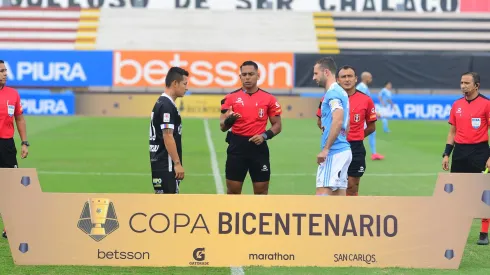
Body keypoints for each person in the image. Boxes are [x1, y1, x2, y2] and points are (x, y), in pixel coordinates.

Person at [219, 61, 282, 195]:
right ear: (240, 76)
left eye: (251, 74)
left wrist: (264, 136)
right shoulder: (230, 98)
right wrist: (230, 119)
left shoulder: (269, 99)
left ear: (258, 76)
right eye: (244, 74)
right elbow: (222, 127)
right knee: (233, 192)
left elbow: (277, 125)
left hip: (258, 148)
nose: (247, 77)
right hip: (237, 147)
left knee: (261, 192)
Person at [442, 71, 490, 245]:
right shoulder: (457, 105)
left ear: (476, 85)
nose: (463, 86)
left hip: (480, 151)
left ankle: (484, 233)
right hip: (460, 152)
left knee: (483, 193)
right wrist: (447, 153)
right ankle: (457, 229)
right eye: (461, 82)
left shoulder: (486, 104)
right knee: (459, 193)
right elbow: (452, 131)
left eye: (467, 83)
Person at [316, 65, 377, 196]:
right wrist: (332, 133)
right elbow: (320, 121)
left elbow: (372, 126)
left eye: (350, 76)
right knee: (332, 186)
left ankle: (349, 213)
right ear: (337, 79)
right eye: (343, 77)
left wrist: (358, 136)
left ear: (356, 79)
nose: (347, 79)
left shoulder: (366, 100)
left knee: (352, 185)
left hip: (356, 147)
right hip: (336, 146)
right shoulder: (330, 97)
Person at [313, 57, 352, 196]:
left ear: (326, 72)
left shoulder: (333, 93)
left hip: (334, 152)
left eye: (316, 73)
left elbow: (338, 120)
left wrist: (326, 149)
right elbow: (347, 124)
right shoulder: (342, 92)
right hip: (343, 150)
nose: (313, 77)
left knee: (322, 194)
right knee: (338, 197)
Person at [0, 60, 30, 239]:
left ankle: (8, 227)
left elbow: (19, 118)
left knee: (11, 187)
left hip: (6, 145)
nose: (5, 74)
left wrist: (25, 142)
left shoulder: (13, 94)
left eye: (5, 70)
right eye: (1, 71)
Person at [149, 67, 189, 194]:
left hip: (159, 162)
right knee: (168, 206)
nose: (186, 88)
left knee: (163, 204)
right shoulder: (166, 105)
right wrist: (177, 163)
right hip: (167, 164)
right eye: (184, 84)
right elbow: (168, 136)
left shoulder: (163, 102)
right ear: (175, 83)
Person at [356, 72, 384, 161]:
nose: (371, 79)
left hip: (361, 114)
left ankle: (373, 153)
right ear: (366, 78)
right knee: (361, 133)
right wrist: (373, 113)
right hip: (361, 114)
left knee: (370, 132)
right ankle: (355, 151)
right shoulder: (362, 88)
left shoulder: (362, 87)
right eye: (370, 77)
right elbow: (363, 101)